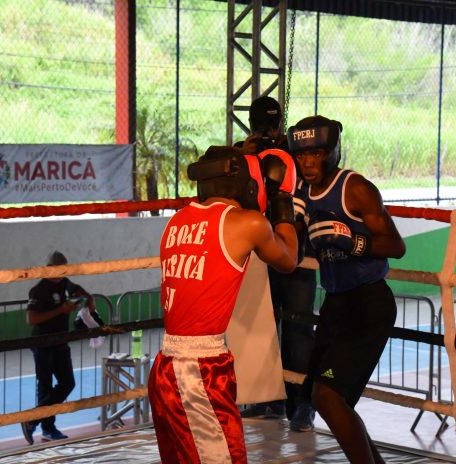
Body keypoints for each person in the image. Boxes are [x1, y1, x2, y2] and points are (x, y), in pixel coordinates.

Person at [148, 146, 298, 463]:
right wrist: (284, 199)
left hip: (165, 367)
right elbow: (288, 259)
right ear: (248, 182)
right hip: (198, 372)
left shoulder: (176, 222)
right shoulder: (250, 224)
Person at [288, 115, 406, 463]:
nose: (308, 162)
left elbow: (395, 245)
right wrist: (285, 220)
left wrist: (352, 242)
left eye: (317, 153)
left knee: (328, 397)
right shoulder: (301, 194)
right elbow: (291, 254)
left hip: (368, 305)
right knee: (326, 397)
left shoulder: (355, 188)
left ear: (332, 152)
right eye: (302, 155)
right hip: (336, 305)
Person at [236, 96, 318, 424]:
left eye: (271, 125)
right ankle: (263, 398)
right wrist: (246, 153)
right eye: (264, 125)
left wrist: (288, 147)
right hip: (258, 250)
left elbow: (317, 176)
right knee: (260, 326)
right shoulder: (243, 153)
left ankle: (302, 403)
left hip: (295, 247)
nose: (269, 131)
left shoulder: (298, 150)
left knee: (298, 327)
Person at [21, 251, 96, 444]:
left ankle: (34, 419)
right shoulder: (39, 290)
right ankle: (47, 427)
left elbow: (76, 288)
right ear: (50, 268)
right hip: (43, 343)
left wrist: (89, 297)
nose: (64, 271)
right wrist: (60, 311)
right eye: (61, 268)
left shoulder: (65, 283)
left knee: (68, 383)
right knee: (45, 386)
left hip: (60, 342)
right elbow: (31, 319)